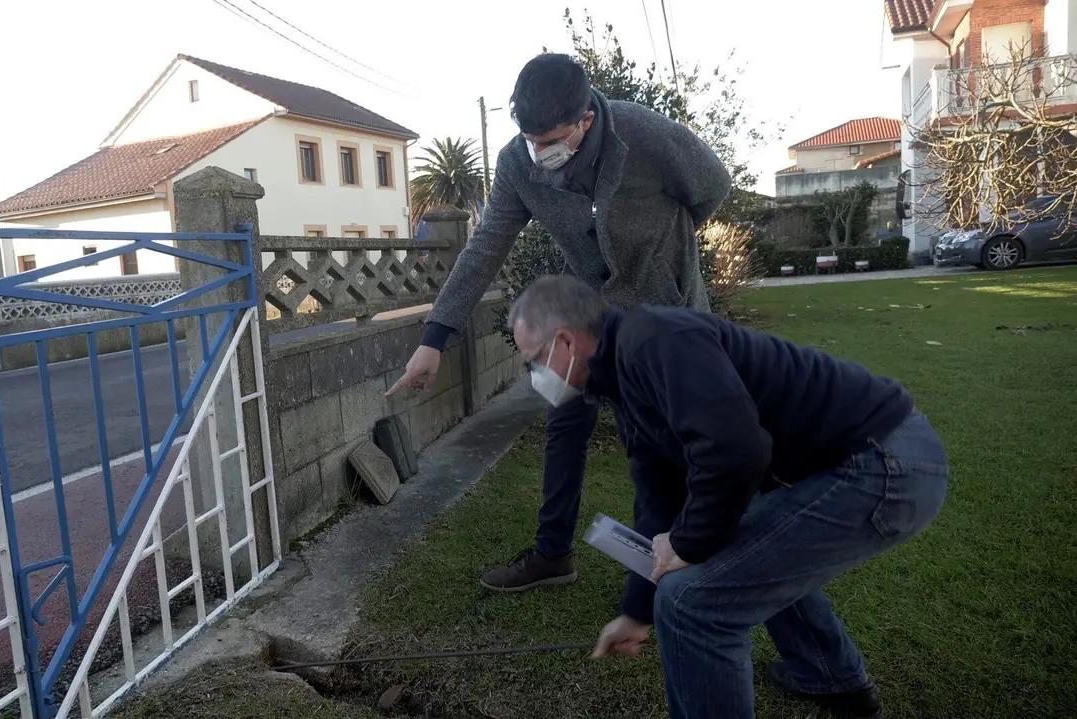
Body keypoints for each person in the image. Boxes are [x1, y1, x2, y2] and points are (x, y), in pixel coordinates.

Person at [510, 275, 948, 719]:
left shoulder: (654, 339)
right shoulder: (625, 382)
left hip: (886, 463)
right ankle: (830, 678)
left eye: (534, 360)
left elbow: (737, 451)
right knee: (741, 553)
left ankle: (830, 677)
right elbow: (658, 499)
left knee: (692, 602)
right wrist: (636, 612)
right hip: (869, 461)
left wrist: (687, 544)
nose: (536, 375)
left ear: (565, 341)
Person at [386, 53, 732, 592]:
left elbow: (712, 185)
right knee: (563, 418)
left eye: (549, 141)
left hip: (663, 315)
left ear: (585, 119)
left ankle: (667, 577)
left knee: (655, 447)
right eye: (529, 139)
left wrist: (666, 258)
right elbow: (485, 246)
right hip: (584, 316)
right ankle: (553, 554)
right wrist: (435, 338)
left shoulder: (641, 132)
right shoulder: (517, 163)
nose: (538, 152)